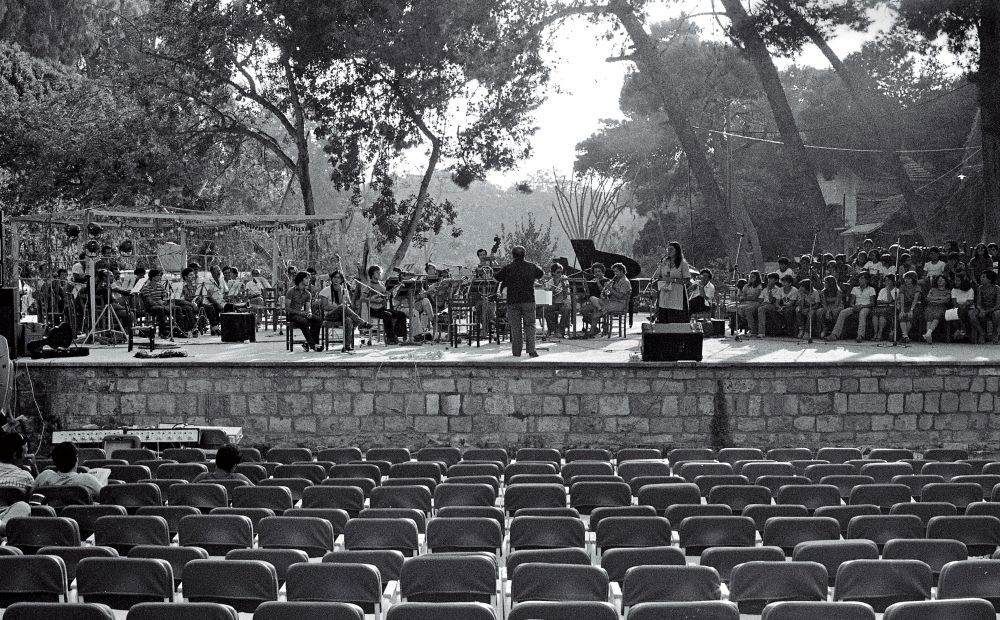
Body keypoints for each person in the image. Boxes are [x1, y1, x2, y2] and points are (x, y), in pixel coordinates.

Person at [495, 245, 544, 357]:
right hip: (528, 300)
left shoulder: (508, 268)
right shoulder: (531, 266)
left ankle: (516, 352)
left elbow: (496, 278)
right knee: (530, 325)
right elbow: (541, 274)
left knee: (516, 327)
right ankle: (531, 350)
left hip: (513, 301)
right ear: (524, 255)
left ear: (512, 255)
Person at [33, 442, 103, 499]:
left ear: (54, 461)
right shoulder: (87, 479)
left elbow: (30, 495)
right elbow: (105, 495)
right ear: (76, 459)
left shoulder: (44, 476)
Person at [365, 265, 408, 345]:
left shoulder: (381, 284)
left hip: (382, 308)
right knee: (388, 315)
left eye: (380, 272)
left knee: (401, 314)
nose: (379, 274)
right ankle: (390, 338)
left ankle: (399, 336)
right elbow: (363, 298)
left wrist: (387, 296)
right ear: (372, 274)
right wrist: (372, 298)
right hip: (373, 310)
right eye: (377, 273)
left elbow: (385, 296)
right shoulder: (368, 286)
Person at [827, 272, 876, 342]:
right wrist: (854, 306)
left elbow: (872, 303)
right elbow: (852, 302)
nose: (860, 280)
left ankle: (860, 335)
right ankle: (834, 334)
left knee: (862, 313)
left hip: (866, 307)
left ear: (867, 280)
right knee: (843, 312)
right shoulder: (855, 288)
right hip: (856, 306)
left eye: (862, 278)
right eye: (859, 278)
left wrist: (862, 306)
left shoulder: (871, 289)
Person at [0, 433, 32, 535]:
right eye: (25, 453)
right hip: (9, 518)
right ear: (15, 455)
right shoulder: (26, 477)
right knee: (23, 506)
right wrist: (34, 468)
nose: (26, 456)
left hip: (6, 520)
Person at [652, 242, 691, 323]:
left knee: (675, 317)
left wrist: (673, 280)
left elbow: (687, 280)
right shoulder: (664, 262)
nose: (668, 251)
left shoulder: (683, 264)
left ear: (677, 251)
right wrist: (660, 278)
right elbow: (657, 275)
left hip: (677, 294)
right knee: (664, 316)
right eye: (668, 249)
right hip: (665, 292)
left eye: (671, 249)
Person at [285, 270, 323, 351]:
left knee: (318, 320)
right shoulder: (291, 291)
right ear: (301, 279)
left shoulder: (307, 294)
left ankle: (309, 343)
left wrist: (309, 313)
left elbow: (307, 308)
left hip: (302, 314)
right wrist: (300, 313)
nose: (308, 280)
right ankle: (313, 345)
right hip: (292, 315)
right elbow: (287, 308)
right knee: (303, 321)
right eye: (306, 278)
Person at [970, 271, 1000, 344]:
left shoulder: (997, 288)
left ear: (989, 279)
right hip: (982, 308)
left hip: (993, 309)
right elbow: (978, 303)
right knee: (972, 314)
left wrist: (986, 312)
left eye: (983, 277)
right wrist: (981, 310)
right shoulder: (980, 288)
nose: (981, 278)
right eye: (981, 276)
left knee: (997, 314)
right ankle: (982, 333)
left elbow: (998, 305)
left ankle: (995, 332)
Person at [543, 263, 571, 338]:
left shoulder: (564, 278)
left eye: (561, 272)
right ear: (553, 273)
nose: (560, 274)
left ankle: (561, 330)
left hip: (564, 302)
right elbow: (549, 298)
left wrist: (562, 282)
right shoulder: (550, 282)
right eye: (558, 272)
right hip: (555, 303)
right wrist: (551, 290)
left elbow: (565, 293)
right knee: (546, 309)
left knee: (566, 308)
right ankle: (554, 329)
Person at [580, 263, 609, 335]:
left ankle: (592, 330)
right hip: (593, 303)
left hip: (603, 302)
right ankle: (595, 328)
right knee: (583, 310)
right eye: (595, 272)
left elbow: (606, 293)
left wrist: (598, 283)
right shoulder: (591, 281)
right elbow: (588, 294)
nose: (597, 273)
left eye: (599, 271)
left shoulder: (607, 281)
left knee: (594, 303)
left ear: (603, 272)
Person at [922, 275, 952, 344]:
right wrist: (939, 298)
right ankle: (929, 335)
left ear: (946, 281)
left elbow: (946, 300)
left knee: (937, 315)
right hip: (930, 306)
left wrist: (934, 299)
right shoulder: (932, 289)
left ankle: (928, 333)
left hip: (941, 307)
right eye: (939, 280)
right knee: (928, 315)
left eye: (942, 279)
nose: (940, 281)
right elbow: (928, 298)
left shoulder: (948, 291)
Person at [896, 271, 923, 344]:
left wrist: (911, 310)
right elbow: (902, 298)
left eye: (908, 279)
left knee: (910, 316)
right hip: (905, 304)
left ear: (913, 279)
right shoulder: (902, 286)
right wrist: (901, 310)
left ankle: (904, 336)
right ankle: (905, 336)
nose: (906, 280)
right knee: (902, 316)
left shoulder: (917, 287)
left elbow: (915, 299)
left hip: (916, 305)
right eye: (905, 279)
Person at [872, 274, 897, 342]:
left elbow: (891, 301)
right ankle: (875, 333)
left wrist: (888, 291)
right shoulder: (882, 290)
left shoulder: (896, 290)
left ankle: (880, 334)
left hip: (891, 308)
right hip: (881, 307)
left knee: (882, 315)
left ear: (892, 281)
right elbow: (878, 301)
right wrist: (886, 302)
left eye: (888, 280)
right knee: (875, 314)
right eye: (885, 280)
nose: (886, 282)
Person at [738, 270, 763, 336]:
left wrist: (746, 297)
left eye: (753, 277)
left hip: (756, 302)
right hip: (746, 302)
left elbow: (755, 297)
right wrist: (744, 298)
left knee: (748, 310)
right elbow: (743, 295)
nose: (751, 278)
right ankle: (743, 323)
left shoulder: (759, 287)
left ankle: (752, 330)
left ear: (757, 278)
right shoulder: (746, 286)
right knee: (738, 308)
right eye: (750, 277)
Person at [950, 275, 975, 339]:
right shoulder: (954, 289)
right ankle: (959, 329)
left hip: (968, 307)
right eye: (955, 280)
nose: (956, 282)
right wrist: (958, 306)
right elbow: (954, 301)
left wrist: (963, 305)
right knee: (952, 313)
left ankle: (962, 329)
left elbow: (970, 301)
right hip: (958, 307)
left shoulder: (970, 289)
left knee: (962, 311)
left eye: (958, 281)